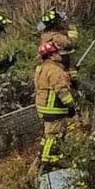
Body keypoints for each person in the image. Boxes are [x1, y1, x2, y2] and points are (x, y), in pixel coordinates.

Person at [33, 38, 77, 167]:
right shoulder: (55, 70)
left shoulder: (41, 68)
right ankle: (48, 163)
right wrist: (71, 106)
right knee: (54, 136)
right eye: (57, 53)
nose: (60, 55)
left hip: (43, 106)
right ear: (51, 56)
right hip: (54, 108)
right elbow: (61, 90)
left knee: (48, 135)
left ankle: (42, 156)